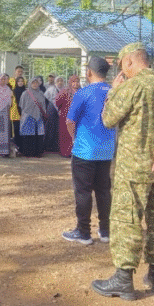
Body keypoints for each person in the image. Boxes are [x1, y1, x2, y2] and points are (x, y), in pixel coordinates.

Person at [91, 43, 154, 300]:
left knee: (127, 220)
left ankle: (123, 279)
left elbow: (108, 119)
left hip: (132, 169)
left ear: (128, 63)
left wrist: (113, 93)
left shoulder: (130, 87)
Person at [61, 57, 117, 245]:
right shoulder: (114, 92)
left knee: (83, 191)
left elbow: (70, 121)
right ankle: (105, 230)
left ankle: (83, 232)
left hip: (85, 150)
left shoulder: (83, 93)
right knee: (104, 191)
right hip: (106, 150)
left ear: (89, 72)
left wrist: (74, 138)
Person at [18, 76, 47, 157]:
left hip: (38, 116)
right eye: (33, 83)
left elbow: (43, 105)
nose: (34, 84)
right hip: (28, 116)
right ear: (30, 83)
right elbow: (22, 105)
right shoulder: (25, 93)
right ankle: (28, 152)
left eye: (36, 83)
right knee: (28, 134)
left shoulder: (41, 93)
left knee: (38, 134)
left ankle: (38, 153)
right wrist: (29, 110)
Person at [55, 75, 81, 158]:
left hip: (78, 117)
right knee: (66, 134)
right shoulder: (65, 91)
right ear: (70, 82)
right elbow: (57, 101)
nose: (76, 84)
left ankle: (76, 152)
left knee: (76, 134)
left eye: (77, 82)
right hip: (65, 116)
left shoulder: (82, 91)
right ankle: (66, 152)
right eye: (74, 82)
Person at [43, 76, 64, 153]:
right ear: (55, 82)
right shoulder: (51, 89)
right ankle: (48, 146)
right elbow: (46, 98)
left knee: (58, 127)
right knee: (50, 127)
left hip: (60, 110)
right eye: (58, 81)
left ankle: (56, 146)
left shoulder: (64, 90)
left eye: (61, 81)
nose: (60, 82)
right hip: (51, 109)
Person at [8, 66, 24, 150]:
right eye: (18, 71)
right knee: (14, 128)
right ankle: (14, 145)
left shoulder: (24, 81)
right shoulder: (10, 80)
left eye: (21, 71)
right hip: (14, 108)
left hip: (23, 109)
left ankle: (21, 145)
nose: (20, 73)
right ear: (15, 72)